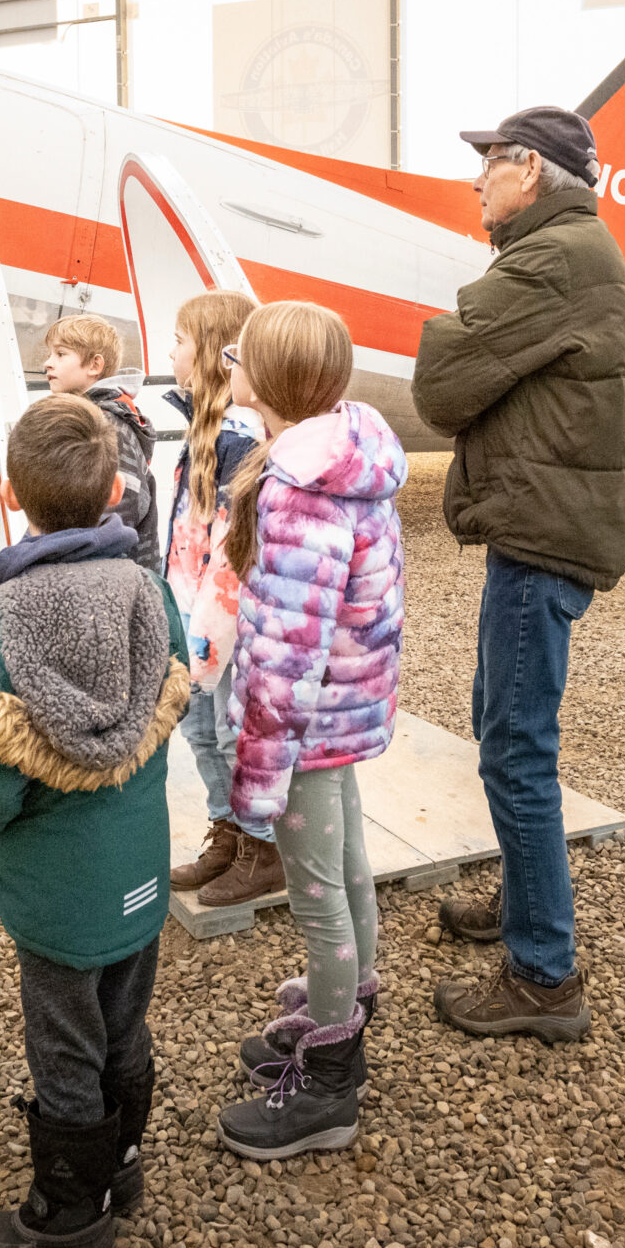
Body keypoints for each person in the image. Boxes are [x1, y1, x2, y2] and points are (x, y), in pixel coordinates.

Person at [0, 394, 191, 1248]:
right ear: (119, 490)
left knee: (64, 1038)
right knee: (125, 1015)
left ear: (13, 493)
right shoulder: (151, 594)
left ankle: (68, 1216)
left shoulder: (4, 629)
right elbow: (172, 697)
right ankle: (118, 1161)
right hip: (139, 871)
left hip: (59, 892)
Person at [410, 106, 625, 1044]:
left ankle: (544, 972)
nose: (476, 183)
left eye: (489, 166)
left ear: (531, 171)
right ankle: (522, 907)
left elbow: (439, 386)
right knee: (501, 726)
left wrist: (452, 335)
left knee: (513, 748)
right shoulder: (575, 250)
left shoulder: (550, 259)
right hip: (543, 524)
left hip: (540, 536)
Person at [213, 302, 406, 1160]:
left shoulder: (300, 489)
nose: (228, 363)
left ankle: (331, 1083)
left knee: (318, 893)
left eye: (238, 354)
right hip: (347, 713)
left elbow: (290, 651)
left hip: (307, 727)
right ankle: (346, 1006)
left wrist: (258, 772)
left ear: (273, 379)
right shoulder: (352, 458)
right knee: (349, 868)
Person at [161, 291, 283, 908]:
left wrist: (204, 640)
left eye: (180, 339)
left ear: (209, 352)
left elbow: (232, 555)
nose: (171, 349)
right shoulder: (205, 429)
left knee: (234, 733)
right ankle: (228, 830)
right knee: (202, 732)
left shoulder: (239, 440)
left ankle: (262, 847)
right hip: (196, 620)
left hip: (222, 626)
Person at [41, 313, 160, 571]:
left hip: (110, 573)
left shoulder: (106, 424)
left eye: (60, 354)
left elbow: (123, 506)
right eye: (50, 354)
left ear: (94, 365)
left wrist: (75, 555)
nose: (47, 363)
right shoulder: (93, 417)